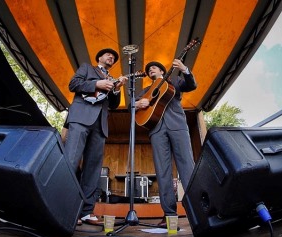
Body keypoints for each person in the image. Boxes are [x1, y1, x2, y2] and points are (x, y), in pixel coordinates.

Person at [64, 48, 128, 225]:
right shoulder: (87, 68)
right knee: (71, 161)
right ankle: (65, 209)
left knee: (93, 169)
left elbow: (113, 105)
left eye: (114, 57)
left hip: (100, 125)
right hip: (80, 119)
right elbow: (73, 84)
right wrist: (96, 84)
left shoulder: (111, 78)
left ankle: (86, 211)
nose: (112, 57)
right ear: (99, 57)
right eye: (109, 55)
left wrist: (117, 89)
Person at [134, 60, 197, 227]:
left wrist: (185, 69)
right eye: (148, 69)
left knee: (187, 167)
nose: (150, 70)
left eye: (153, 67)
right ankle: (169, 215)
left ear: (162, 70)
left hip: (177, 126)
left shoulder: (174, 81)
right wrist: (137, 103)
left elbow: (191, 85)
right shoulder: (146, 91)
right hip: (156, 130)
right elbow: (130, 105)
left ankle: (197, 211)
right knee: (162, 172)